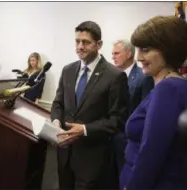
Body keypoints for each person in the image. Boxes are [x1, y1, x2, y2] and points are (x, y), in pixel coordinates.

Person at [51, 21, 129, 189]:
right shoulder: (68, 70)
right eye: (77, 41)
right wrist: (56, 122)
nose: (80, 46)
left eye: (86, 42)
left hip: (92, 159)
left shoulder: (115, 76)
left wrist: (85, 129)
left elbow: (117, 120)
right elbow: (58, 103)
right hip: (64, 152)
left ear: (99, 44)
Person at [120, 16, 187, 190]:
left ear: (168, 50)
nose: (138, 57)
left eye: (145, 49)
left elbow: (151, 153)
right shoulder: (171, 85)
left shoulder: (168, 88)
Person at [111, 39, 154, 175]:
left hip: (128, 141)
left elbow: (146, 112)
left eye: (116, 53)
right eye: (112, 53)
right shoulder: (112, 75)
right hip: (110, 137)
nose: (113, 57)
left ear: (129, 54)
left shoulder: (143, 77)